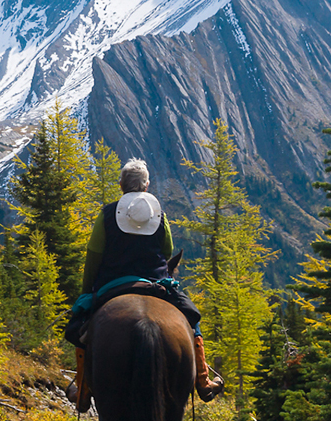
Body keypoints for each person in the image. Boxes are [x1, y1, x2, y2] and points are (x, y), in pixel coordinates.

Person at [65, 158, 224, 411]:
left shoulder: (107, 214)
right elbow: (167, 249)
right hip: (155, 282)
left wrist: (87, 291)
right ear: (147, 186)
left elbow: (94, 254)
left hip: (111, 283)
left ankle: (83, 388)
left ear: (121, 185)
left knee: (81, 324)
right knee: (191, 318)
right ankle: (203, 379)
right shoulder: (159, 215)